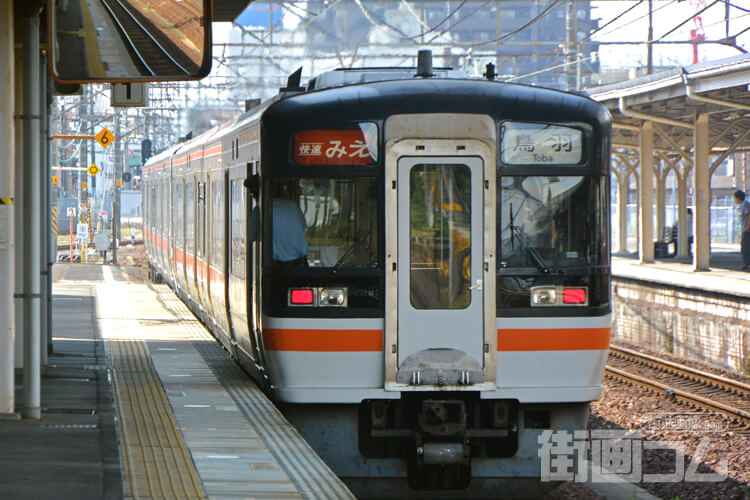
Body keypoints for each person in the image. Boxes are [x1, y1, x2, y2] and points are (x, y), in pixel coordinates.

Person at [247, 180, 308, 267]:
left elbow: (251, 237)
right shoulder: (292, 205)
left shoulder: (259, 211)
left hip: (277, 266)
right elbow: (303, 227)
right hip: (300, 263)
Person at [734, 190, 750, 270]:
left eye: (735, 198)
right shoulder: (741, 205)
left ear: (738, 198)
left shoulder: (745, 204)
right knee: (744, 246)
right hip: (743, 229)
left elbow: (749, 215)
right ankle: (746, 262)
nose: (734, 200)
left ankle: (747, 263)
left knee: (745, 246)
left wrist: (748, 226)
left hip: (746, 229)